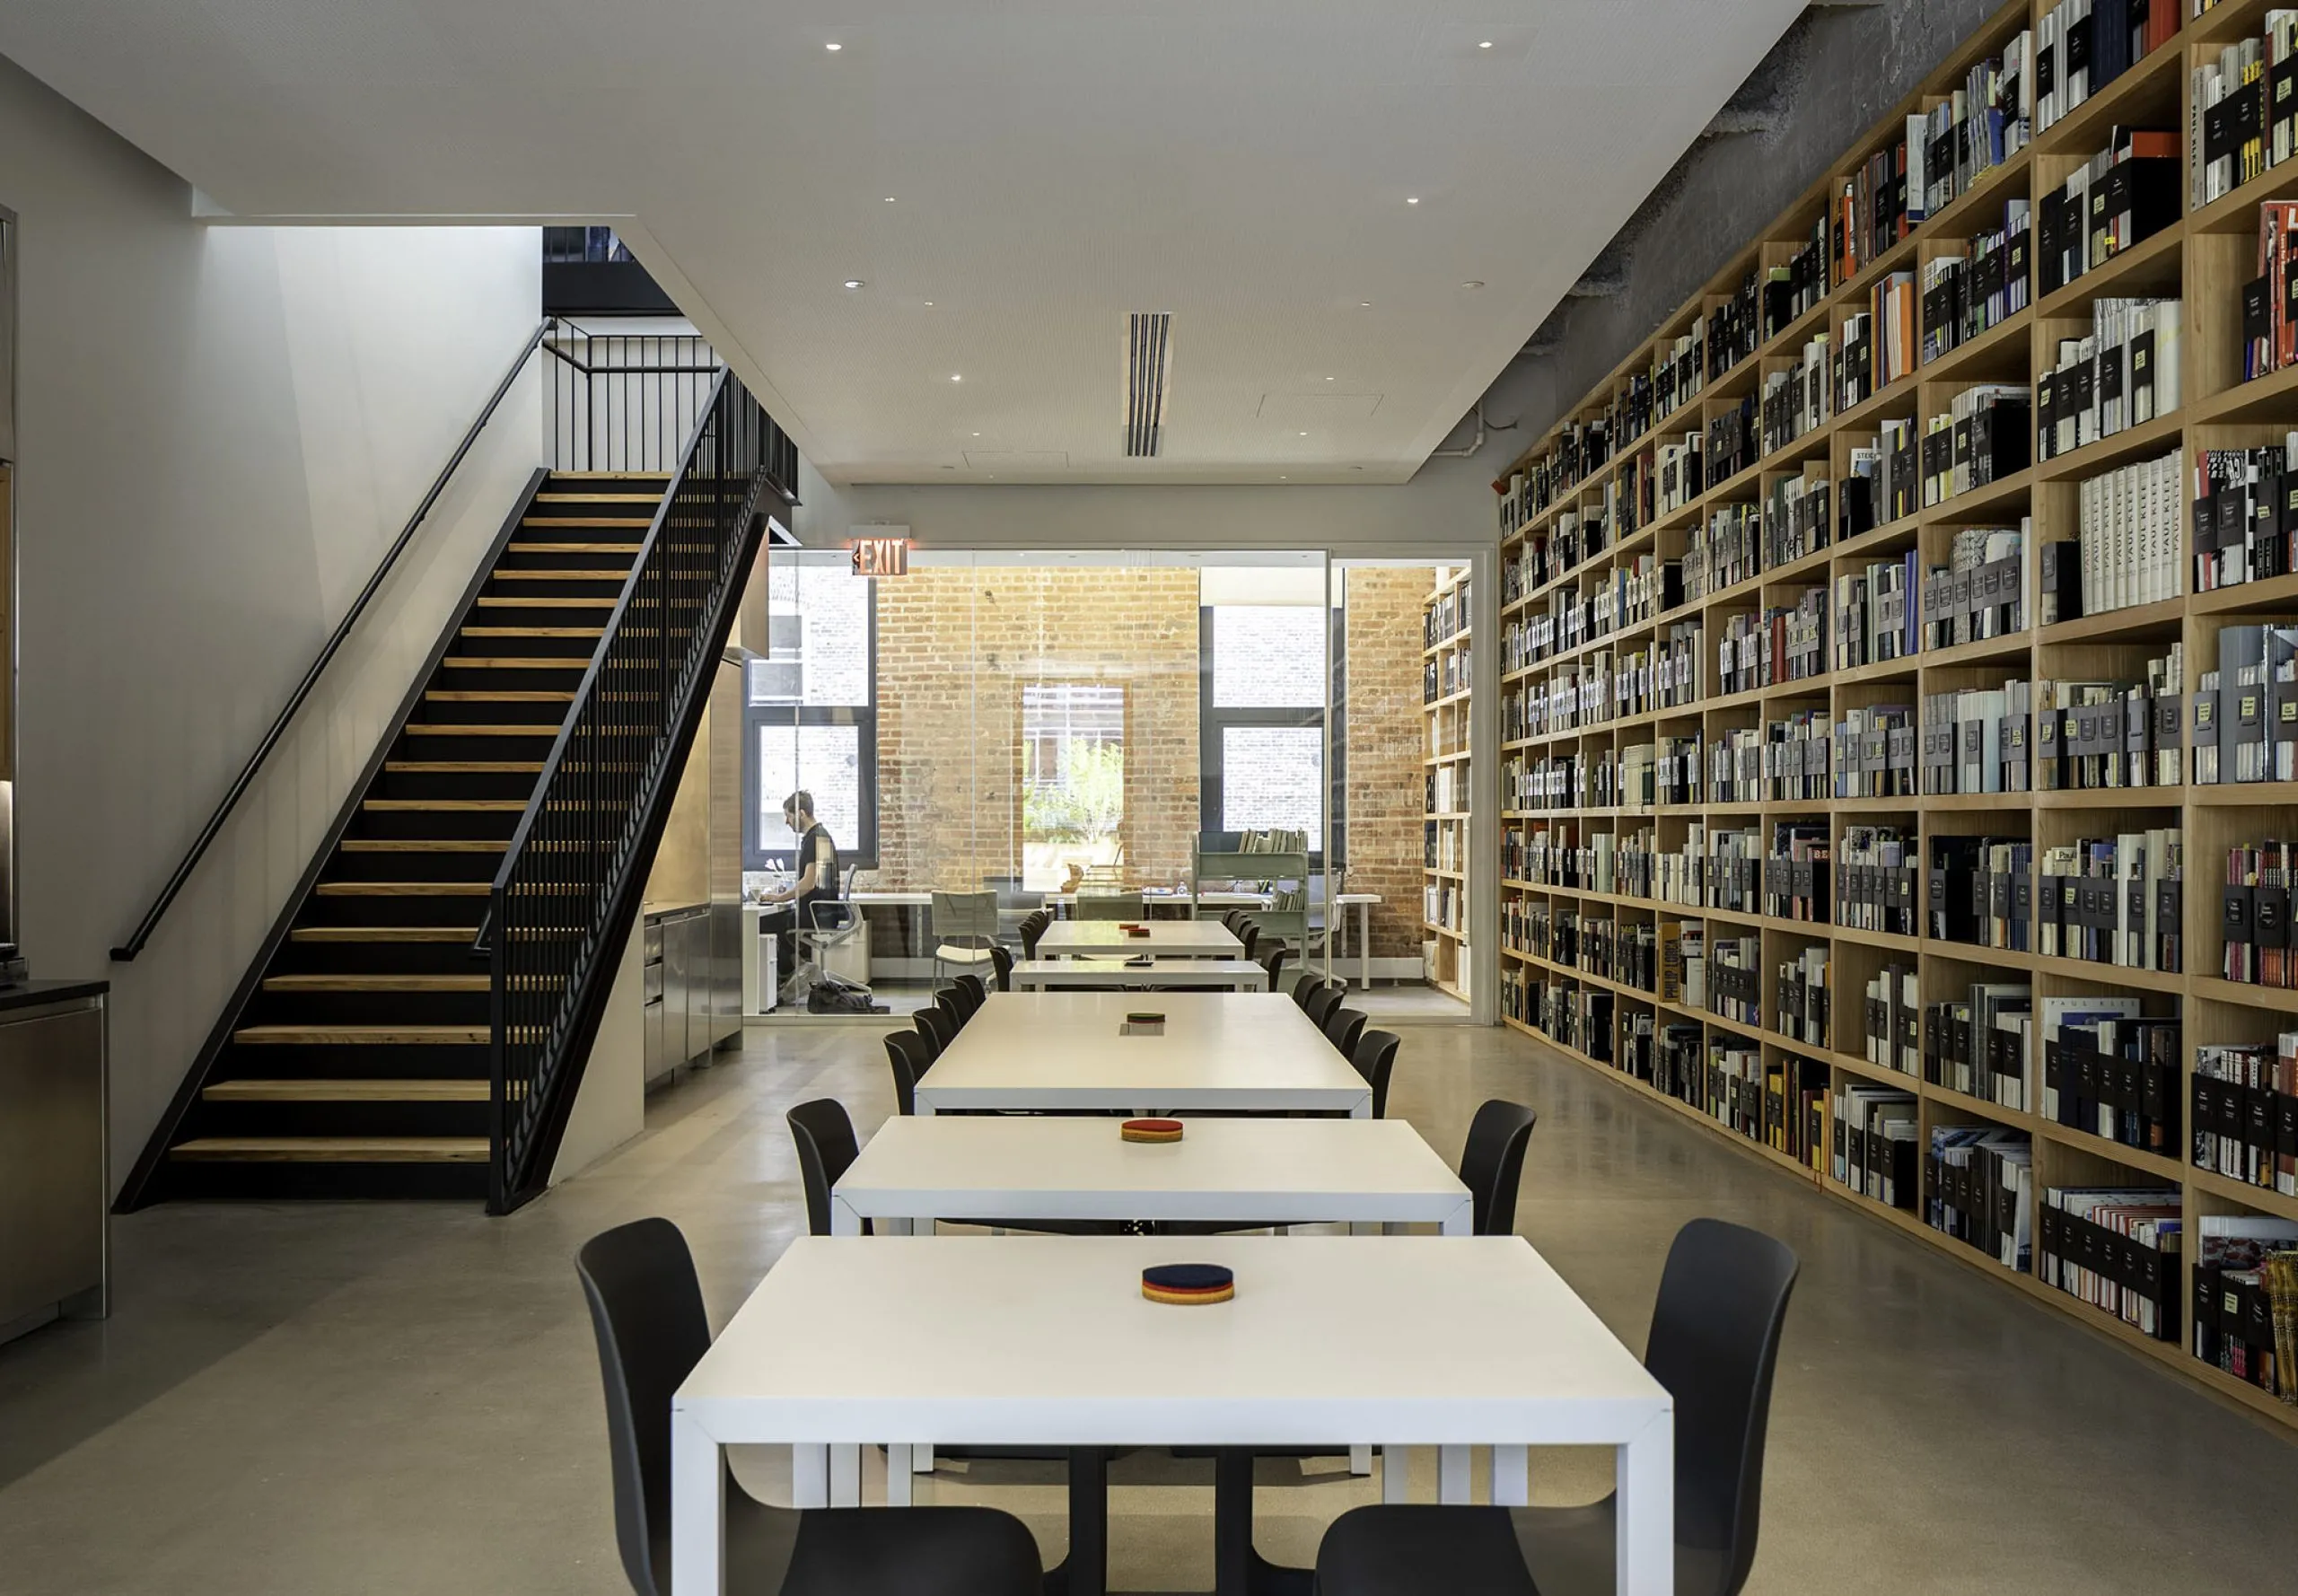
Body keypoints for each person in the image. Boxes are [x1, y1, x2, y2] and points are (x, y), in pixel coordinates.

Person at [759, 791, 841, 997]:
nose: (787, 822)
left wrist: (778, 898)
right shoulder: (819, 835)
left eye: (788, 816)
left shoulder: (815, 839)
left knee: (765, 923)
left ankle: (787, 976)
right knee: (777, 920)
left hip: (817, 913)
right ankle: (795, 972)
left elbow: (808, 883)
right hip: (822, 910)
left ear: (801, 813)